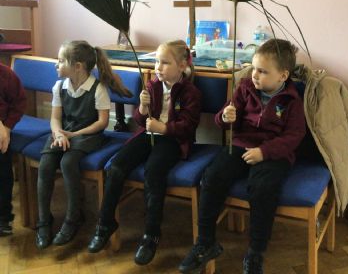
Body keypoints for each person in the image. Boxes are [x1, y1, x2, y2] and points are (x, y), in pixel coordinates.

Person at [179, 39, 306, 274]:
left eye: (262, 71)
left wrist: (264, 152)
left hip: (274, 153)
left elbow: (294, 136)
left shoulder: (292, 101)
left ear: (283, 75)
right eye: (254, 68)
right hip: (241, 145)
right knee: (212, 177)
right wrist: (225, 117)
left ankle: (255, 252)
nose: (254, 74)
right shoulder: (245, 88)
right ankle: (205, 243)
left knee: (262, 188)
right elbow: (225, 120)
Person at [87, 40, 201, 266]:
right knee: (116, 167)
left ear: (181, 66)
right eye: (157, 61)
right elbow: (140, 120)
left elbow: (189, 126)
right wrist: (142, 107)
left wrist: (164, 128)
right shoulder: (153, 85)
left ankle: (151, 234)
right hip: (147, 135)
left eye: (165, 63)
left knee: (153, 172)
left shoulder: (191, 92)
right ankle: (105, 223)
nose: (158, 67)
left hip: (172, 140)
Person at [35, 40, 131, 249]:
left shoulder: (98, 88)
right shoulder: (59, 87)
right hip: (63, 132)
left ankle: (73, 218)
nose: (56, 64)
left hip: (88, 135)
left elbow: (102, 123)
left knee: (68, 162)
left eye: (61, 61)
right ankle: (43, 221)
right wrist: (58, 134)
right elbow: (55, 118)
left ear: (77, 66)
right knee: (46, 164)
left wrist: (74, 134)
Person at [0, 63, 27, 236]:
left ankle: (3, 218)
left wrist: (7, 128)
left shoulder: (6, 75)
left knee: (3, 171)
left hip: (3, 129)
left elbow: (19, 103)